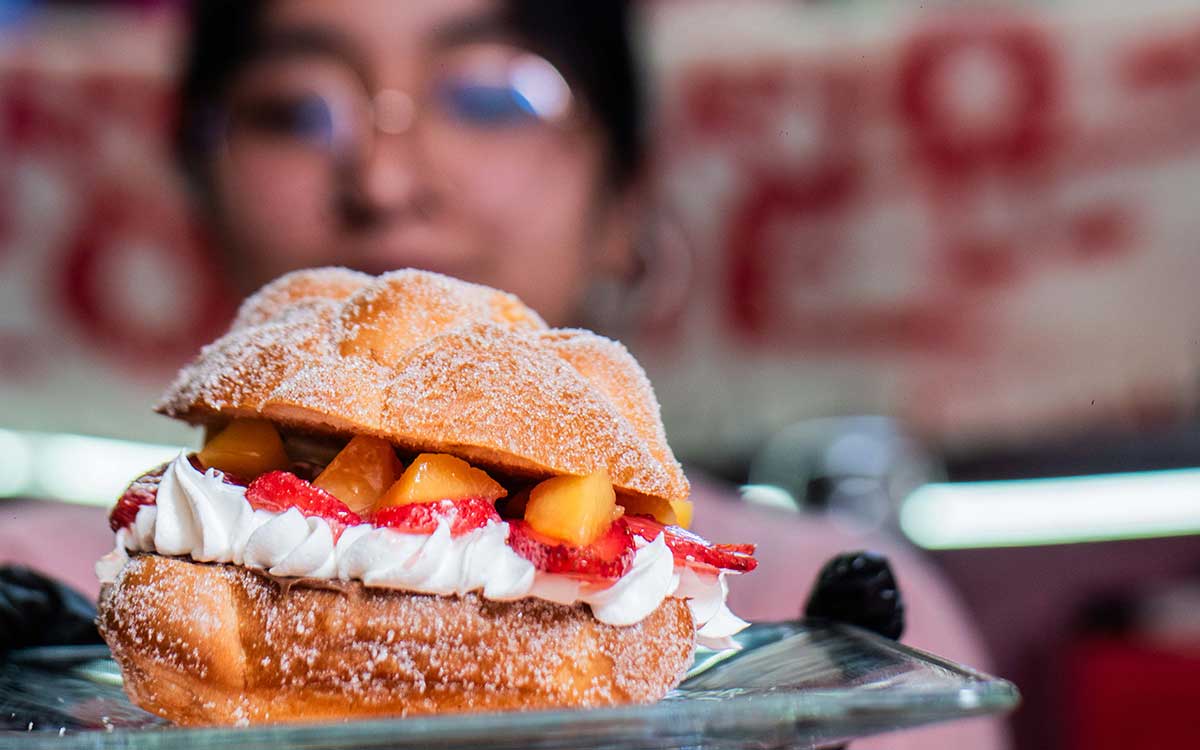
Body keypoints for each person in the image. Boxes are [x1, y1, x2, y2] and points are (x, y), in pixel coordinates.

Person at [8, 2, 1009, 746]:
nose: (389, 182)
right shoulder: (45, 601)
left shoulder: (812, 641)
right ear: (194, 188)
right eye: (292, 109)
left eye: (494, 94)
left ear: (625, 195)